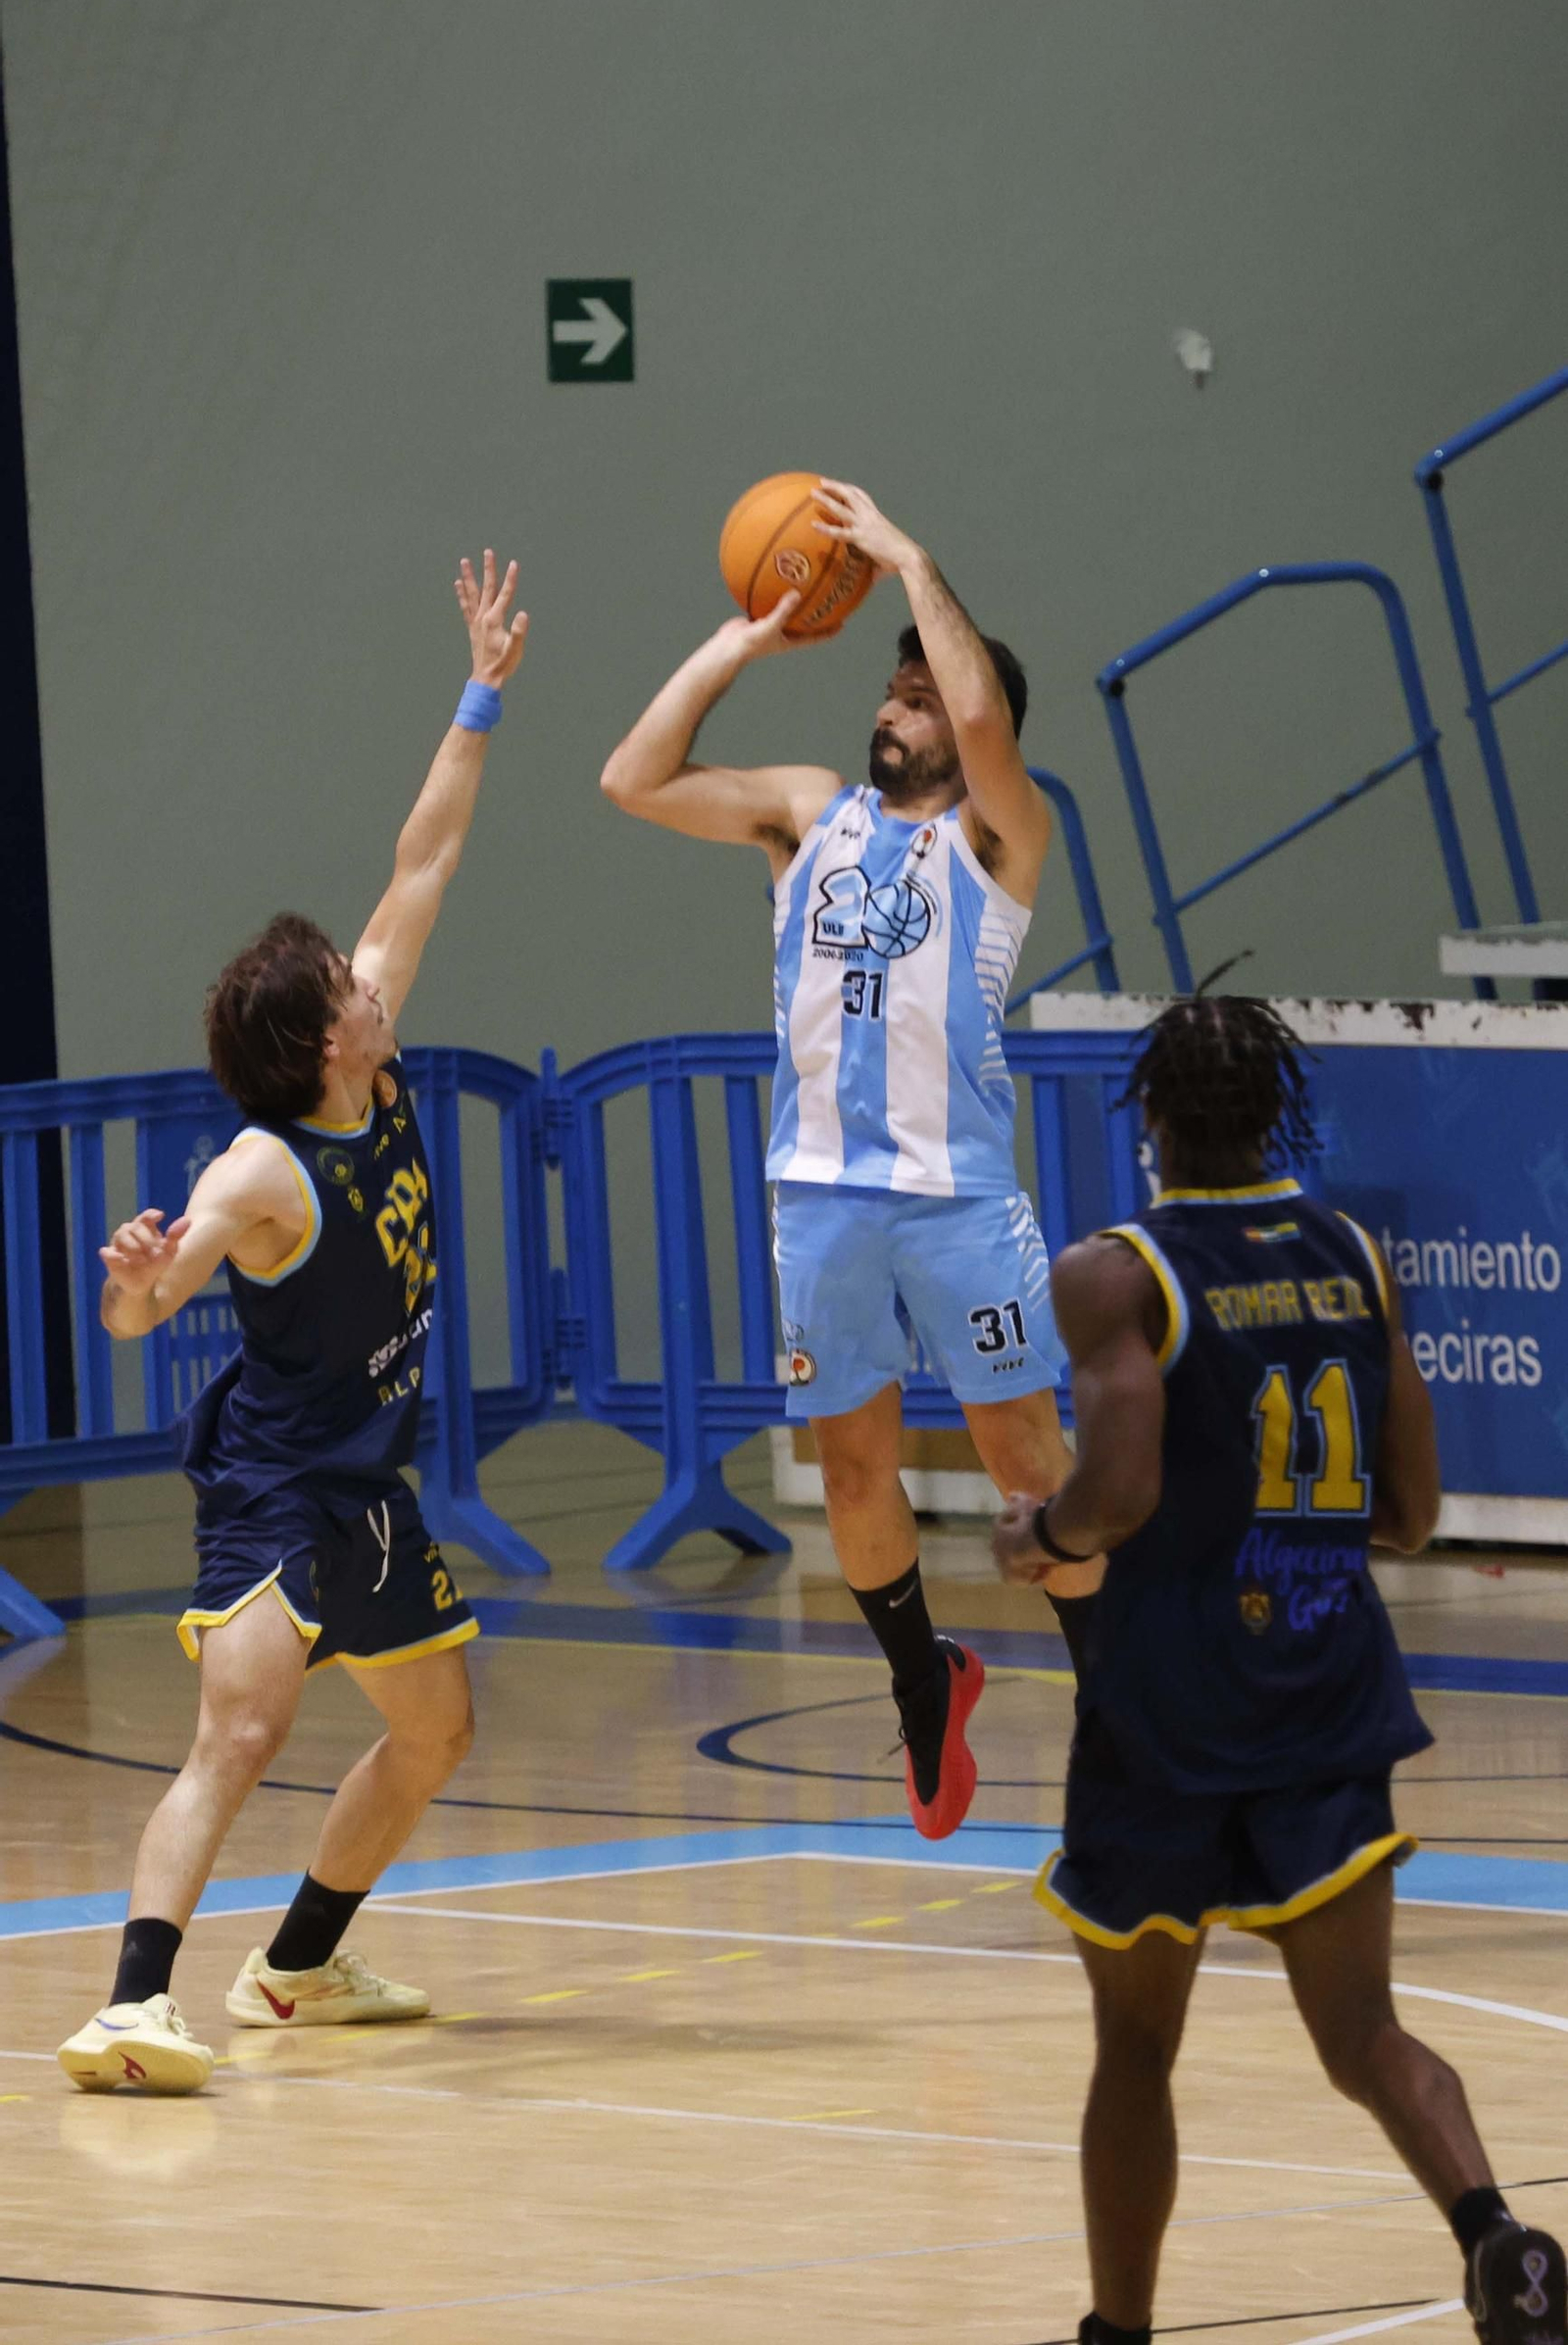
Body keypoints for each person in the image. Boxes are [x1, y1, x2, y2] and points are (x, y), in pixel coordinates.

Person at [992, 991, 1564, 2345]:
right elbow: (1414, 1510)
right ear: (1275, 1115)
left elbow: (1120, 1488)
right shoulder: (1354, 1251)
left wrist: (1041, 1533)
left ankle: (1120, 2334)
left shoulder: (1115, 1273)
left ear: (1158, 1119)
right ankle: (1501, 2242)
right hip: (1324, 1681)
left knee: (1137, 2047)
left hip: (1171, 1708)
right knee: (1364, 2031)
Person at [58, 549, 529, 2095]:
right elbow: (144, 1313)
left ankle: (299, 1965)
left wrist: (478, 693)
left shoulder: (369, 1055)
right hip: (273, 1485)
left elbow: (428, 857)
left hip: (367, 1480)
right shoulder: (264, 1164)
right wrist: (134, 1271)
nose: (372, 968)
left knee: (439, 1730)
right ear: (323, 1034)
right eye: (347, 977)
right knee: (242, 1734)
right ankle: (131, 2005)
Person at [601, 479, 1101, 1839]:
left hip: (958, 1199)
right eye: (891, 688)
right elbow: (631, 777)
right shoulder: (805, 814)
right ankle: (922, 1685)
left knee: (1025, 1460)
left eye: (918, 692)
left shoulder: (1003, 836)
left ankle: (1124, 1706)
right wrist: (747, 642)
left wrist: (909, 557)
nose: (896, 706)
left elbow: (987, 716)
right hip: (818, 1196)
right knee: (855, 1470)